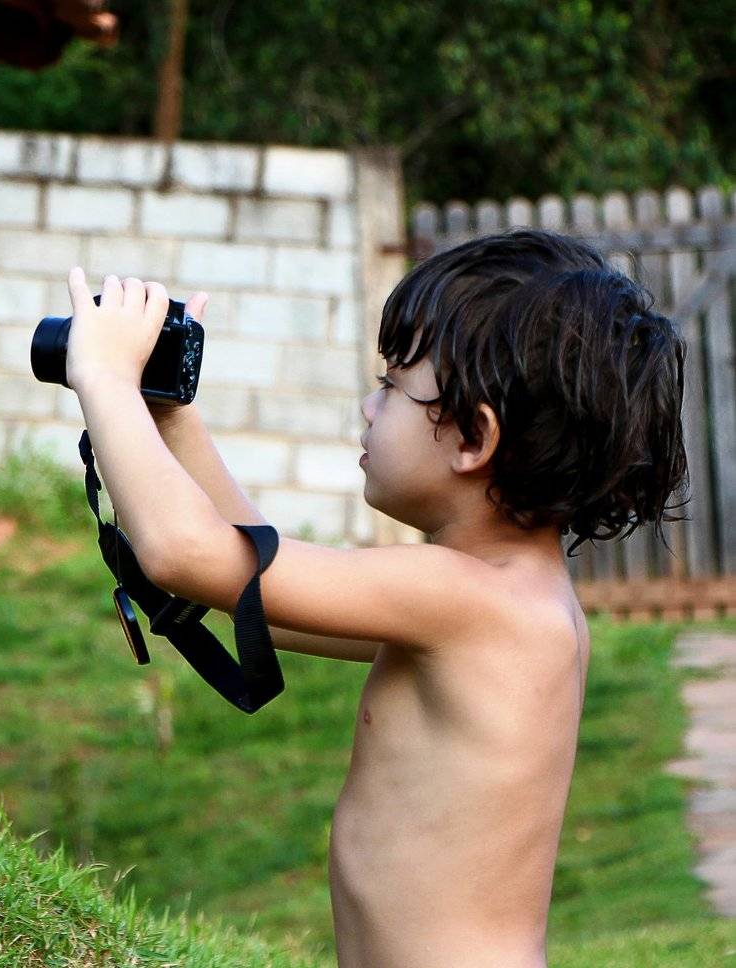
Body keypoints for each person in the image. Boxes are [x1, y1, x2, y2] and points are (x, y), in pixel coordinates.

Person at [62, 229, 687, 967]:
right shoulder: (502, 598)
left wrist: (104, 377)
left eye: (392, 386)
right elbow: (262, 593)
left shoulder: (463, 599)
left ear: (473, 438)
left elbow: (185, 553)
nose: (367, 406)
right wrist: (171, 415)